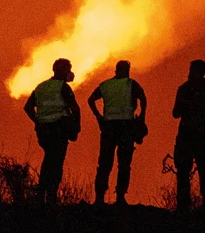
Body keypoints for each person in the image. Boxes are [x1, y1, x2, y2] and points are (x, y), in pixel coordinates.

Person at [88, 60, 148, 205]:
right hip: (126, 127)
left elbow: (91, 99)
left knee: (104, 163)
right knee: (124, 163)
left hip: (108, 127)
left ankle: (99, 198)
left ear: (116, 70)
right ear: (127, 70)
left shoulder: (106, 85)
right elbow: (143, 98)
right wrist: (142, 116)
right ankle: (120, 197)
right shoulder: (131, 84)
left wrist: (98, 117)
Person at [22, 58, 80, 204]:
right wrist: (76, 126)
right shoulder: (63, 87)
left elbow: (28, 108)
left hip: (43, 132)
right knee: (56, 162)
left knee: (48, 160)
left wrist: (37, 121)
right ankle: (50, 195)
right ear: (64, 70)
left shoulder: (41, 87)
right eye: (68, 69)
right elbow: (75, 108)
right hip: (58, 129)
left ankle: (41, 194)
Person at [171, 59, 205, 211]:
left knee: (184, 173)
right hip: (204, 135)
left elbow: (175, 113)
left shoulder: (184, 89)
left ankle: (184, 208)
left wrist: (188, 105)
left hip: (187, 136)